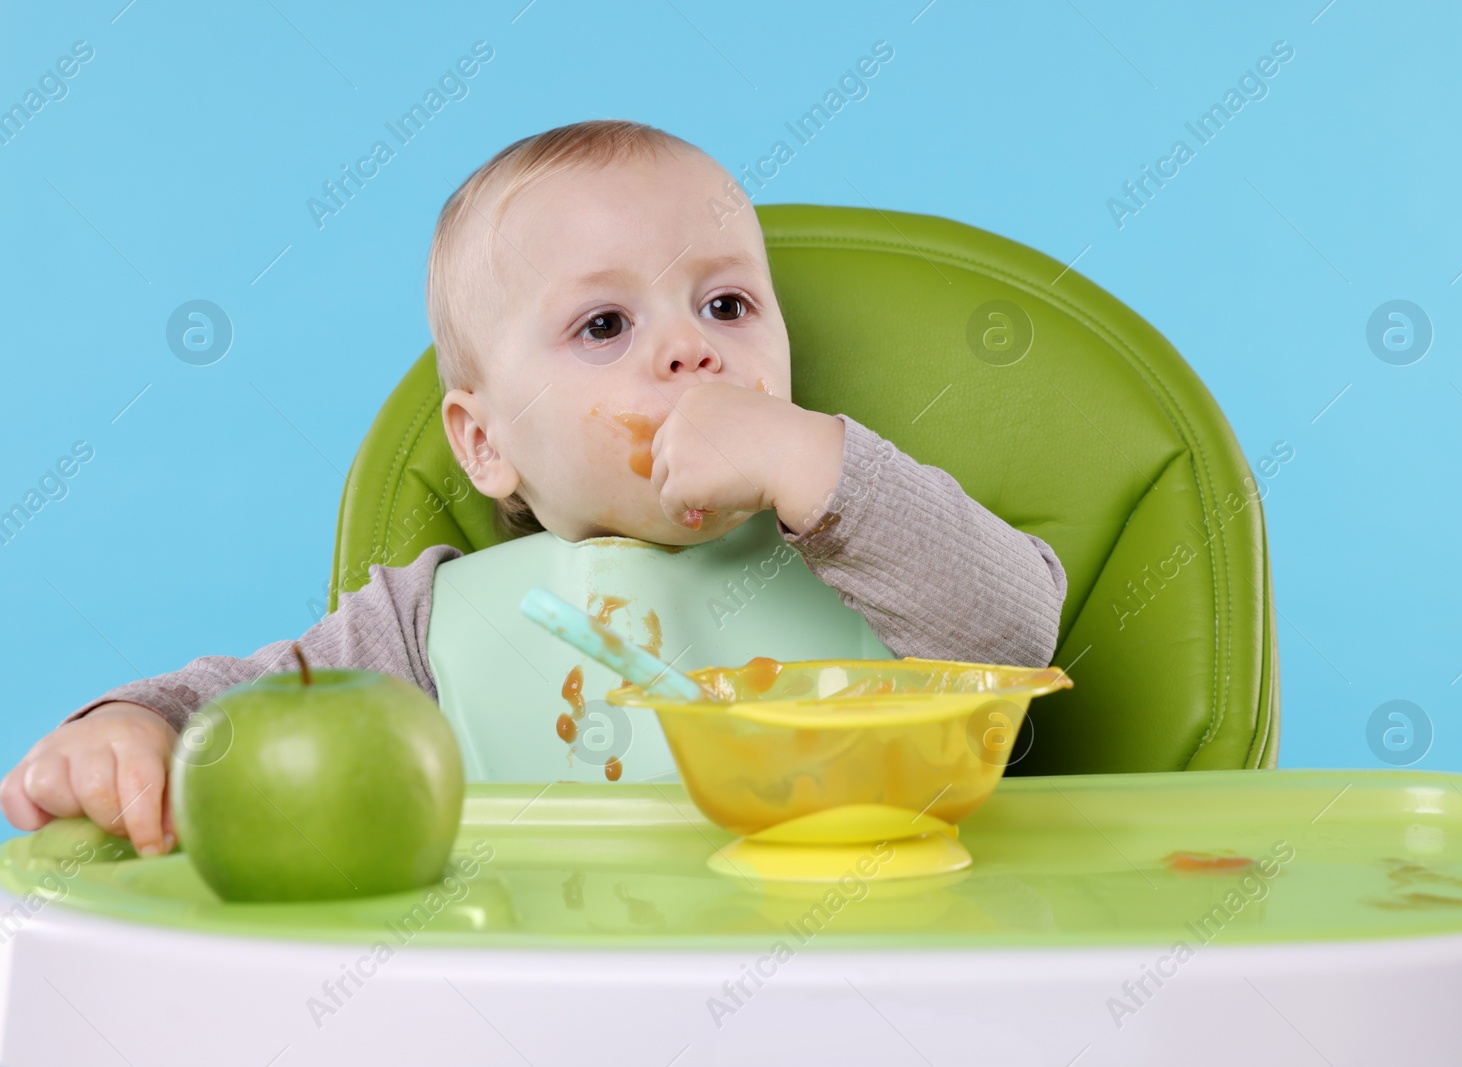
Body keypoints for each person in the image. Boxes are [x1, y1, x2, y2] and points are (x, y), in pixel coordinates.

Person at [1, 120, 1067, 858]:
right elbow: (269, 712)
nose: (690, 351)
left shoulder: (866, 551)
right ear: (484, 444)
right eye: (605, 326)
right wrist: (136, 723)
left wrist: (814, 460)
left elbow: (1015, 628)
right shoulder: (433, 623)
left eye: (729, 305)